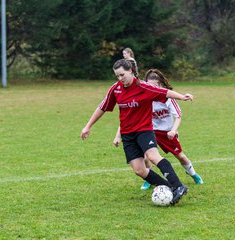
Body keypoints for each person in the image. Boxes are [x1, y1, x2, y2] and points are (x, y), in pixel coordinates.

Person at [81, 59, 192, 205]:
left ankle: (178, 186)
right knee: (139, 170)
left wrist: (182, 96)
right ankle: (168, 187)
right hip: (128, 135)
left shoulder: (144, 87)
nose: (120, 79)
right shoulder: (116, 89)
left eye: (122, 75)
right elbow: (102, 107)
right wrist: (88, 126)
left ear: (131, 71)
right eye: (117, 76)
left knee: (153, 156)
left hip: (144, 130)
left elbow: (165, 92)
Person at [113, 69, 204, 190]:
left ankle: (193, 173)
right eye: (149, 85)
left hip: (167, 133)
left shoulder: (167, 97)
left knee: (180, 156)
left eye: (154, 85)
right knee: (146, 157)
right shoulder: (144, 96)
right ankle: (148, 179)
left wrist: (173, 130)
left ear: (160, 85)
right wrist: (118, 135)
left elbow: (178, 116)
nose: (152, 88)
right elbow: (129, 118)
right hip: (149, 131)